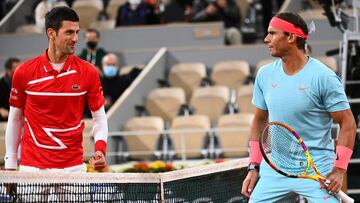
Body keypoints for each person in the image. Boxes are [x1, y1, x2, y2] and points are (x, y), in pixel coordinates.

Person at [241, 12, 356, 202]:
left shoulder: (324, 77)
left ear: (291, 37)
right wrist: (253, 166)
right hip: (276, 167)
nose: (266, 39)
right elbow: (259, 122)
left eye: (272, 33)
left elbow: (348, 123)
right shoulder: (264, 74)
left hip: (317, 166)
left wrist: (339, 169)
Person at [4, 6, 108, 173]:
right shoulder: (24, 72)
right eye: (69, 33)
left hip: (73, 168)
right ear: (51, 33)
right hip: (32, 169)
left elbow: (99, 117)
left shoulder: (88, 72)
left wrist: (100, 150)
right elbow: (15, 118)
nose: (75, 38)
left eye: (76, 32)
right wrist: (10, 163)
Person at [0, 57, 20, 122]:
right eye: (16, 68)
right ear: (8, 70)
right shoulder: (1, 83)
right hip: (6, 117)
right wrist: (0, 109)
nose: (18, 70)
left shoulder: (22, 83)